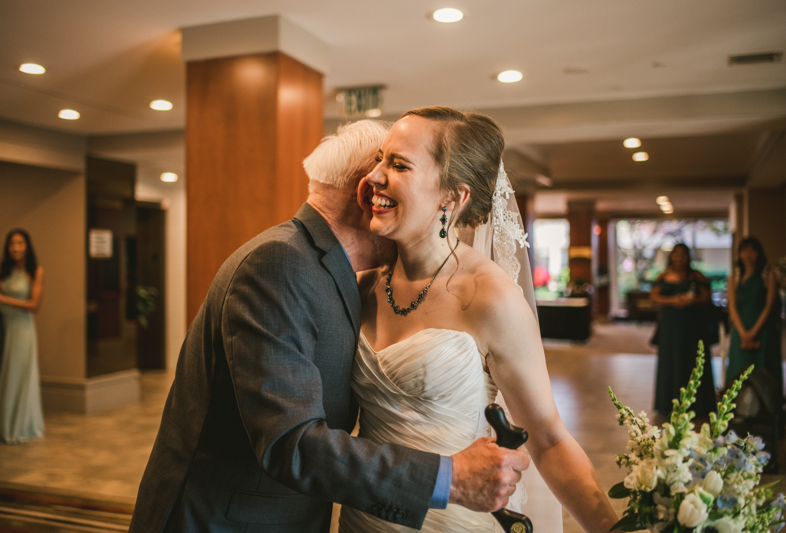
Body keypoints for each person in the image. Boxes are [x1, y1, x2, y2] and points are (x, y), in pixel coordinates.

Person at [129, 120, 529, 533]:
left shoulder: (332, 271)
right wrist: (450, 478)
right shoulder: (280, 265)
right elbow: (292, 442)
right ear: (369, 193)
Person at [341, 107, 618, 533]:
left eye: (398, 165)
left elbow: (548, 438)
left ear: (452, 198)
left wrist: (613, 529)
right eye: (381, 159)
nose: (374, 176)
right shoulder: (361, 286)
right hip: (364, 518)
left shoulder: (490, 298)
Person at [0, 229, 45, 443]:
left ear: (27, 246)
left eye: (20, 243)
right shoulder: (4, 269)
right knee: (0, 374)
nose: (16, 247)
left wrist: (2, 298)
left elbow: (34, 305)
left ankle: (19, 427)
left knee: (17, 375)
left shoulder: (35, 271)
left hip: (22, 329)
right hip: (2, 327)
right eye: (12, 244)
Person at [650, 243, 716, 417]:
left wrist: (691, 301)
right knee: (670, 362)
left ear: (688, 257)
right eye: (676, 254)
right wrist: (674, 300)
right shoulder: (663, 276)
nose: (679, 258)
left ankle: (697, 404)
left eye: (683, 255)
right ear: (671, 256)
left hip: (692, 328)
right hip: (670, 328)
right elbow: (654, 297)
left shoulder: (696, 276)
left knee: (692, 361)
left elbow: (707, 296)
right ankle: (668, 404)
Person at [726, 236, 782, 393]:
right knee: (739, 371)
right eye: (744, 250)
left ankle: (768, 412)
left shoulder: (767, 274)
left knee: (765, 370)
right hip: (740, 330)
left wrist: (753, 332)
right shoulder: (735, 276)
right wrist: (744, 333)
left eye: (752, 250)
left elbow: (768, 306)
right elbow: (732, 307)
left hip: (763, 329)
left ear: (759, 253)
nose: (748, 254)